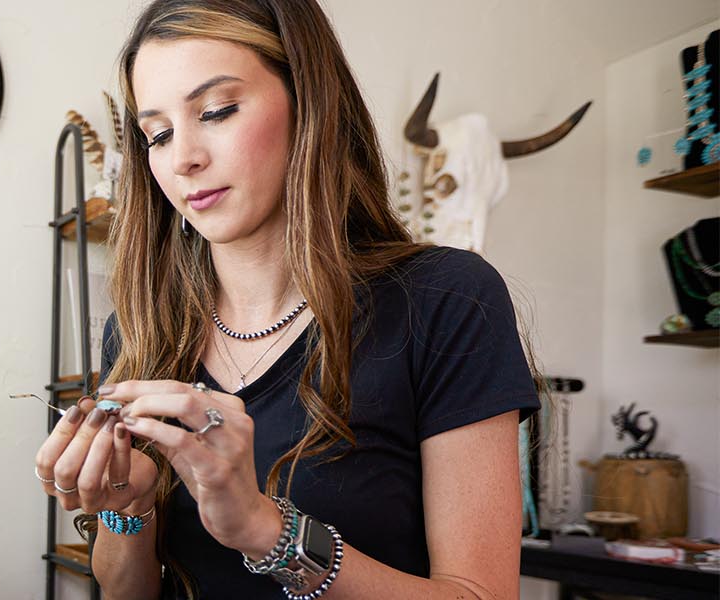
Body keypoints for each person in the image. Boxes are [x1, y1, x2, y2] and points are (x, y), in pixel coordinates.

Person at [33, 1, 542, 598]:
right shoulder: (142, 332)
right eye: (158, 134)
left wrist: (264, 530)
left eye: (217, 111)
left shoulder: (446, 300)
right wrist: (128, 507)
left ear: (308, 102)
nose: (183, 158)